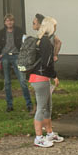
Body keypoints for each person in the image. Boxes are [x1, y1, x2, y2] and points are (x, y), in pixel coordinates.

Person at [29, 16, 63, 147]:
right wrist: (54, 75)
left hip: (40, 77)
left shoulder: (41, 40)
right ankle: (38, 137)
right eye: (54, 26)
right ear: (50, 27)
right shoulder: (45, 42)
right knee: (42, 108)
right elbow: (46, 63)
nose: (55, 29)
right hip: (41, 77)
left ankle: (49, 133)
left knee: (47, 107)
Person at [0, 13, 32, 112]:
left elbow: (26, 42)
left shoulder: (19, 31)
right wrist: (0, 54)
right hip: (5, 56)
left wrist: (23, 54)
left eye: (11, 20)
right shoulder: (1, 32)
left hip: (17, 56)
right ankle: (9, 105)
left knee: (22, 81)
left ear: (13, 21)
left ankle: (29, 104)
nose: (9, 22)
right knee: (7, 82)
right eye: (7, 21)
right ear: (5, 22)